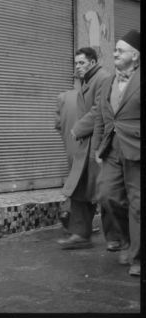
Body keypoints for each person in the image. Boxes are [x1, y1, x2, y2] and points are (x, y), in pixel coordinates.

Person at [92, 30, 140, 277]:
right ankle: (128, 241)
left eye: (120, 50)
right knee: (107, 195)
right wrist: (98, 147)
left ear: (135, 55)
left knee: (138, 204)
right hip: (112, 148)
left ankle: (138, 257)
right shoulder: (108, 81)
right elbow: (101, 117)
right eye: (115, 50)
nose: (115, 54)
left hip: (137, 149)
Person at [57, 48, 111, 250]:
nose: (77, 67)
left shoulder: (103, 78)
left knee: (105, 193)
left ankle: (117, 239)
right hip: (85, 144)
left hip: (98, 143)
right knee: (80, 188)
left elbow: (99, 109)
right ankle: (80, 234)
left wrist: (78, 128)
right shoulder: (89, 80)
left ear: (93, 61)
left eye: (81, 63)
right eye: (76, 63)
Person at [54, 88, 79, 232]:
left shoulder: (63, 96)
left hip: (70, 146)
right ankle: (68, 212)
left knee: (75, 180)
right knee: (84, 183)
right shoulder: (95, 96)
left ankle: (68, 212)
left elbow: (57, 124)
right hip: (85, 146)